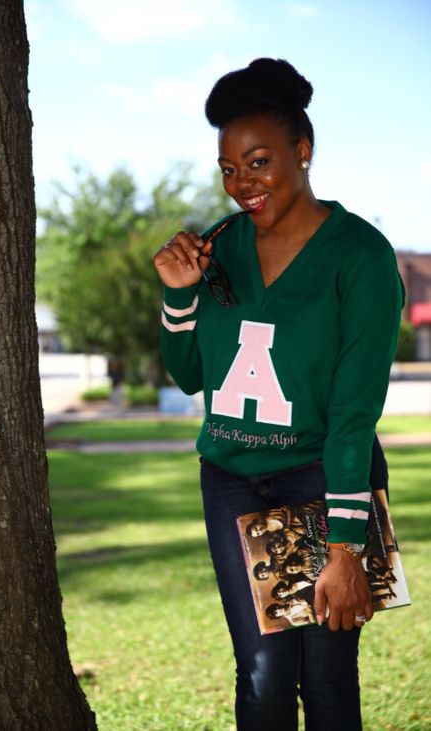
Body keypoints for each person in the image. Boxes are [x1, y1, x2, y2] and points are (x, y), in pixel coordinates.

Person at [152, 57, 404, 731]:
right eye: (229, 169)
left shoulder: (362, 256)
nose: (242, 185)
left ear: (302, 149)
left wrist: (347, 550)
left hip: (325, 473)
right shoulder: (219, 247)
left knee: (326, 676)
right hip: (232, 478)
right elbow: (188, 375)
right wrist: (179, 296)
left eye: (258, 162)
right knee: (262, 677)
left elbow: (354, 415)